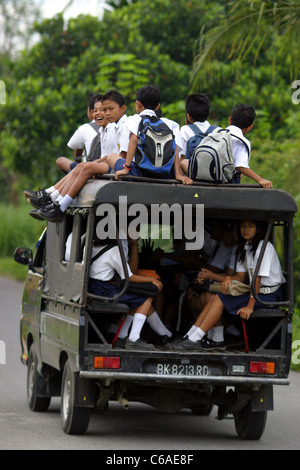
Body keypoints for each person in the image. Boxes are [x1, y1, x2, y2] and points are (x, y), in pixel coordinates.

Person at [167, 219, 285, 351]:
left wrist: (250, 306)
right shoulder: (245, 247)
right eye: (242, 226)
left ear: (258, 229)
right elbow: (240, 277)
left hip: (268, 296)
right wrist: (228, 278)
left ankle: (196, 339)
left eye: (250, 226)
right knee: (215, 296)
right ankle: (191, 336)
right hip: (257, 292)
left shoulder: (264, 247)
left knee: (219, 298)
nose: (245, 229)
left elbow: (256, 279)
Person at [27, 94, 120, 222]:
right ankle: (52, 198)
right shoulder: (103, 131)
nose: (99, 113)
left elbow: (113, 157)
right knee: (80, 166)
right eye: (96, 110)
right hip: (105, 164)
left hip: (116, 166)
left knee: (82, 166)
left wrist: (91, 166)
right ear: (91, 111)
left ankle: (57, 203)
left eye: (104, 110)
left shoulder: (113, 128)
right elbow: (104, 156)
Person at [87, 228, 172, 351]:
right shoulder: (114, 250)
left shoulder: (91, 247)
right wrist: (151, 280)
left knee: (135, 298)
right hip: (105, 292)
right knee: (146, 298)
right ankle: (133, 339)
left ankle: (122, 335)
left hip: (92, 289)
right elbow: (129, 276)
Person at [108, 84, 192, 185]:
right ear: (157, 106)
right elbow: (175, 147)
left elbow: (134, 140)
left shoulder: (134, 119)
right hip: (164, 175)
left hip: (139, 174)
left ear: (138, 104)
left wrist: (126, 168)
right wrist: (178, 174)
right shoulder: (169, 124)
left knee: (111, 156)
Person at [181, 103, 273, 188]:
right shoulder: (241, 141)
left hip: (204, 179)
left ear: (230, 120)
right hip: (227, 184)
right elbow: (240, 166)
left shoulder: (216, 133)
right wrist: (260, 179)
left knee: (185, 161)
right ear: (249, 127)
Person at [177, 92, 215, 162]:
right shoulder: (219, 131)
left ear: (188, 116)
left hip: (192, 172)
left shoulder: (185, 130)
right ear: (209, 112)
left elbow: (181, 158)